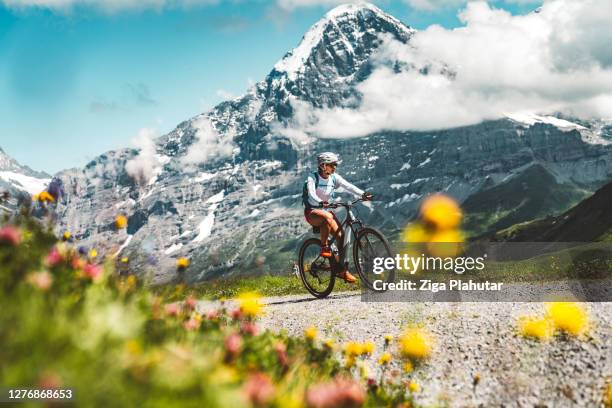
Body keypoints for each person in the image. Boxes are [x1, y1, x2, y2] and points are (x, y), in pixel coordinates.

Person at [303, 152, 373, 283]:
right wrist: (320, 202)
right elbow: (311, 193)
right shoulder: (312, 177)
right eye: (332, 165)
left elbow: (348, 186)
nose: (335, 167)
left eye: (335, 165)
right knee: (328, 217)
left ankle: (342, 271)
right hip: (312, 212)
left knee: (341, 238)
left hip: (327, 212)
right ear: (323, 166)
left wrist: (363, 194)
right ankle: (324, 247)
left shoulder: (334, 178)